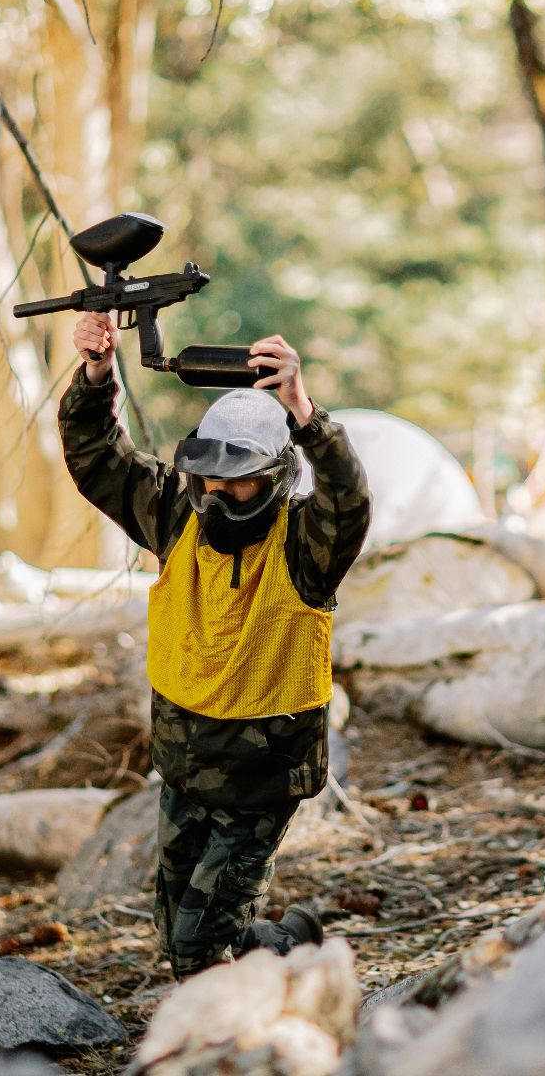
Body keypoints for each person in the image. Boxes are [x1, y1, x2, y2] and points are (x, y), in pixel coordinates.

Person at [59, 312, 371, 979]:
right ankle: (291, 944)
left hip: (261, 781)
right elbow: (96, 458)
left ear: (278, 474)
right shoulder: (177, 513)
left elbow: (348, 499)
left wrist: (303, 410)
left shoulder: (306, 542)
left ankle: (245, 1023)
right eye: (210, 477)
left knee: (198, 951)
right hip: (184, 765)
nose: (221, 494)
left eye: (241, 479)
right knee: (180, 931)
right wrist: (96, 374)